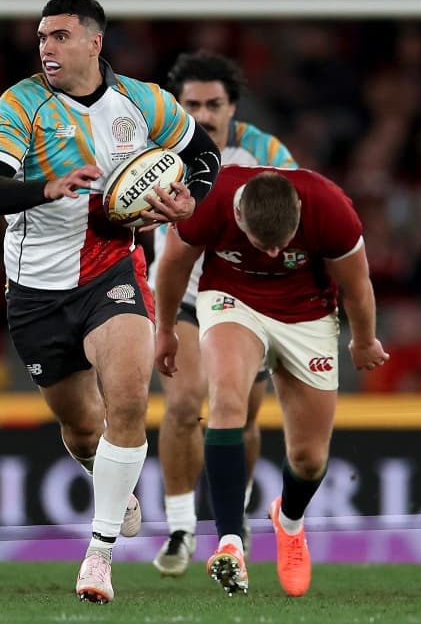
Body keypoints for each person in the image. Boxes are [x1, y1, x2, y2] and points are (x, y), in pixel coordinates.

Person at [0, 0, 221, 604]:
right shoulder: (21, 103)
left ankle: (99, 554)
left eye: (58, 36)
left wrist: (193, 196)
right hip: (35, 288)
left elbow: (203, 153)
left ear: (93, 42)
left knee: (129, 400)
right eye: (41, 38)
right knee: (83, 428)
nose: (46, 48)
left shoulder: (145, 102)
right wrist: (43, 185)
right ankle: (106, 474)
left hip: (113, 272)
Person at [154, 167, 389, 597]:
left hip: (309, 313)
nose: (277, 253)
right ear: (239, 216)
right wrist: (165, 330)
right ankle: (229, 543)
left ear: (298, 211)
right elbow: (171, 266)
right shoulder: (210, 200)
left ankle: (290, 522)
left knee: (309, 459)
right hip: (233, 300)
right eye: (266, 246)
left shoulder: (329, 206)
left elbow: (357, 285)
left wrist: (364, 339)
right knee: (227, 401)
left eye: (285, 242)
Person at [148, 50, 297, 577]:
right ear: (178, 106)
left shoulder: (264, 152)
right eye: (193, 104)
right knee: (187, 400)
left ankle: (237, 514)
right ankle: (181, 528)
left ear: (233, 106)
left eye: (214, 104)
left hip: (246, 297)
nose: (205, 115)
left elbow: (291, 219)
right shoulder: (159, 147)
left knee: (243, 415)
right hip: (183, 292)